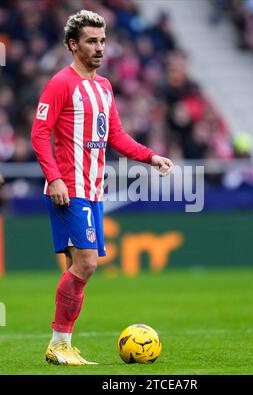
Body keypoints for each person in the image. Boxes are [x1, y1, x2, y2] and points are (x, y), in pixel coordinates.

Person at [31, 10, 174, 366]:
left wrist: (150, 156)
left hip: (92, 190)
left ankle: (62, 345)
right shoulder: (61, 83)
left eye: (102, 41)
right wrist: (55, 177)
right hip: (70, 188)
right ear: (72, 45)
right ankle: (58, 343)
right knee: (87, 265)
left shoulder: (104, 86)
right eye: (91, 41)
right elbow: (38, 133)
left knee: (77, 269)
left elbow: (116, 136)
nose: (99, 48)